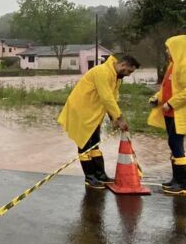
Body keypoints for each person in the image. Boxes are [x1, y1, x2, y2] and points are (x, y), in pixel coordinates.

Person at [58, 54, 141, 189]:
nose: (129, 75)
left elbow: (112, 98)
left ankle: (100, 174)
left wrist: (113, 118)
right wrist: (120, 119)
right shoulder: (102, 72)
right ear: (123, 65)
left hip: (94, 113)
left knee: (95, 143)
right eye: (129, 71)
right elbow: (106, 97)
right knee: (84, 144)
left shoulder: (116, 78)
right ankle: (90, 178)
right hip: (81, 110)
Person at [147, 35, 186, 197]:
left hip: (179, 113)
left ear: (176, 48)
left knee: (177, 146)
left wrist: (172, 103)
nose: (166, 51)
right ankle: (175, 180)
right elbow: (167, 88)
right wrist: (157, 98)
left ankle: (182, 184)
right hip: (170, 112)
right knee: (173, 144)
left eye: (168, 48)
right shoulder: (173, 66)